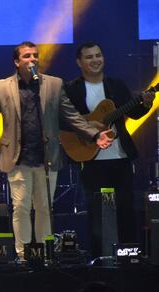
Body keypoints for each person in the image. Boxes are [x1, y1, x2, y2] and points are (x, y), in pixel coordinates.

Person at [0, 41, 113, 260]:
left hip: (46, 157)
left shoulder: (53, 84)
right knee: (22, 207)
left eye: (35, 55)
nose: (32, 59)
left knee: (45, 207)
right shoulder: (3, 86)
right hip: (18, 157)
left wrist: (94, 134)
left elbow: (71, 116)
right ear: (17, 62)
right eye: (26, 56)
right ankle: (23, 254)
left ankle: (45, 254)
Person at [64, 42, 153, 257]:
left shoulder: (116, 85)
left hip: (119, 156)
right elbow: (65, 120)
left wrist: (146, 104)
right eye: (89, 57)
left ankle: (128, 254)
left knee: (125, 207)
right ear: (79, 62)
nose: (95, 60)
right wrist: (89, 128)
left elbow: (134, 113)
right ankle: (100, 256)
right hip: (91, 159)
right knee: (97, 212)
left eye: (98, 55)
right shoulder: (72, 89)